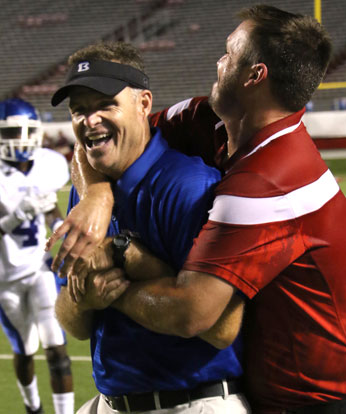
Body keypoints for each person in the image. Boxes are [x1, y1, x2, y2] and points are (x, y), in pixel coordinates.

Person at [48, 5, 346, 414]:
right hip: (260, 384)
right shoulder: (209, 119)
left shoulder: (267, 180)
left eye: (228, 52)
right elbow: (100, 135)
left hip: (313, 396)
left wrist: (115, 266)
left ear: (254, 75)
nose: (217, 61)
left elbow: (198, 315)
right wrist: (95, 194)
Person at [50, 42, 250, 414]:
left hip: (194, 403)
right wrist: (84, 300)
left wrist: (123, 264)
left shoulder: (189, 186)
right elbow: (71, 321)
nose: (89, 120)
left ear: (144, 104)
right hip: (113, 402)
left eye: (106, 105)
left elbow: (223, 327)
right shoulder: (86, 195)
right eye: (79, 110)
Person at [0, 98, 74, 414]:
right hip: (6, 280)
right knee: (26, 351)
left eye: (25, 130)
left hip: (40, 269)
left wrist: (59, 224)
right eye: (12, 131)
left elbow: (49, 209)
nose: (19, 138)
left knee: (57, 348)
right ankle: (33, 406)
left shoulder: (49, 163)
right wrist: (14, 218)